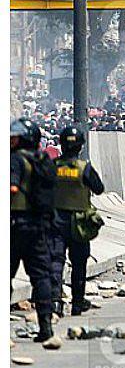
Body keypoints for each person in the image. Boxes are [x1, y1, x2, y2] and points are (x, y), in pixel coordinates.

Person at [10, 118, 58, 343]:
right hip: (39, 225)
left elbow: (12, 188)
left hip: (15, 224)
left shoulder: (15, 159)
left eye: (14, 137)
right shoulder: (44, 160)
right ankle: (46, 326)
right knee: (41, 277)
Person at [50, 125, 105, 318]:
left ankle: (55, 302)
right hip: (79, 223)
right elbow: (99, 189)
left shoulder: (53, 166)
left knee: (55, 263)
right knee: (79, 264)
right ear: (81, 146)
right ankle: (77, 303)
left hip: (55, 221)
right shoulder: (84, 168)